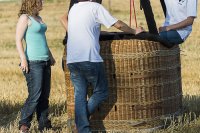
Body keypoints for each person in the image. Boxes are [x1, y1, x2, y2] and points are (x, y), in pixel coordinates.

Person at [60, 0, 143, 132]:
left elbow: (62, 18)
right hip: (89, 58)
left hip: (72, 59)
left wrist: (75, 32)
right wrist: (134, 31)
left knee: (80, 94)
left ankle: (81, 127)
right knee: (101, 91)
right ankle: (81, 124)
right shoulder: (95, 7)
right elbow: (118, 25)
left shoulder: (74, 8)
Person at [15, 0, 55, 132]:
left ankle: (44, 125)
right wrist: (23, 59)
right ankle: (24, 125)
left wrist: (50, 56)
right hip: (33, 62)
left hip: (45, 61)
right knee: (35, 95)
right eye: (39, 1)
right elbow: (18, 39)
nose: (42, 3)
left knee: (44, 95)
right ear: (32, 2)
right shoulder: (25, 18)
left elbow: (42, 39)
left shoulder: (39, 18)